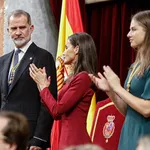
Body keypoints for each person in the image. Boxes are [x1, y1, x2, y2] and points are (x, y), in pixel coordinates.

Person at [89, 10, 150, 150]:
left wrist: (117, 88)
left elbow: (147, 109)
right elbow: (128, 110)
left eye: (134, 29)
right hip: (128, 138)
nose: (128, 35)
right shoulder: (135, 66)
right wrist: (111, 91)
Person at [29, 32, 97, 150]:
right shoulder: (72, 79)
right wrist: (43, 87)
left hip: (75, 141)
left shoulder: (83, 78)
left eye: (66, 47)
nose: (63, 53)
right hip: (66, 138)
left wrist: (44, 87)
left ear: (76, 49)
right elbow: (56, 115)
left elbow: (57, 110)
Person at [0, 10, 57, 150]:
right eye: (14, 28)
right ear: (8, 31)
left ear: (31, 29)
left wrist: (39, 138)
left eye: (22, 27)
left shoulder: (43, 56)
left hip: (29, 136)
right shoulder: (2, 61)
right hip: (4, 135)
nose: (18, 32)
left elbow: (48, 100)